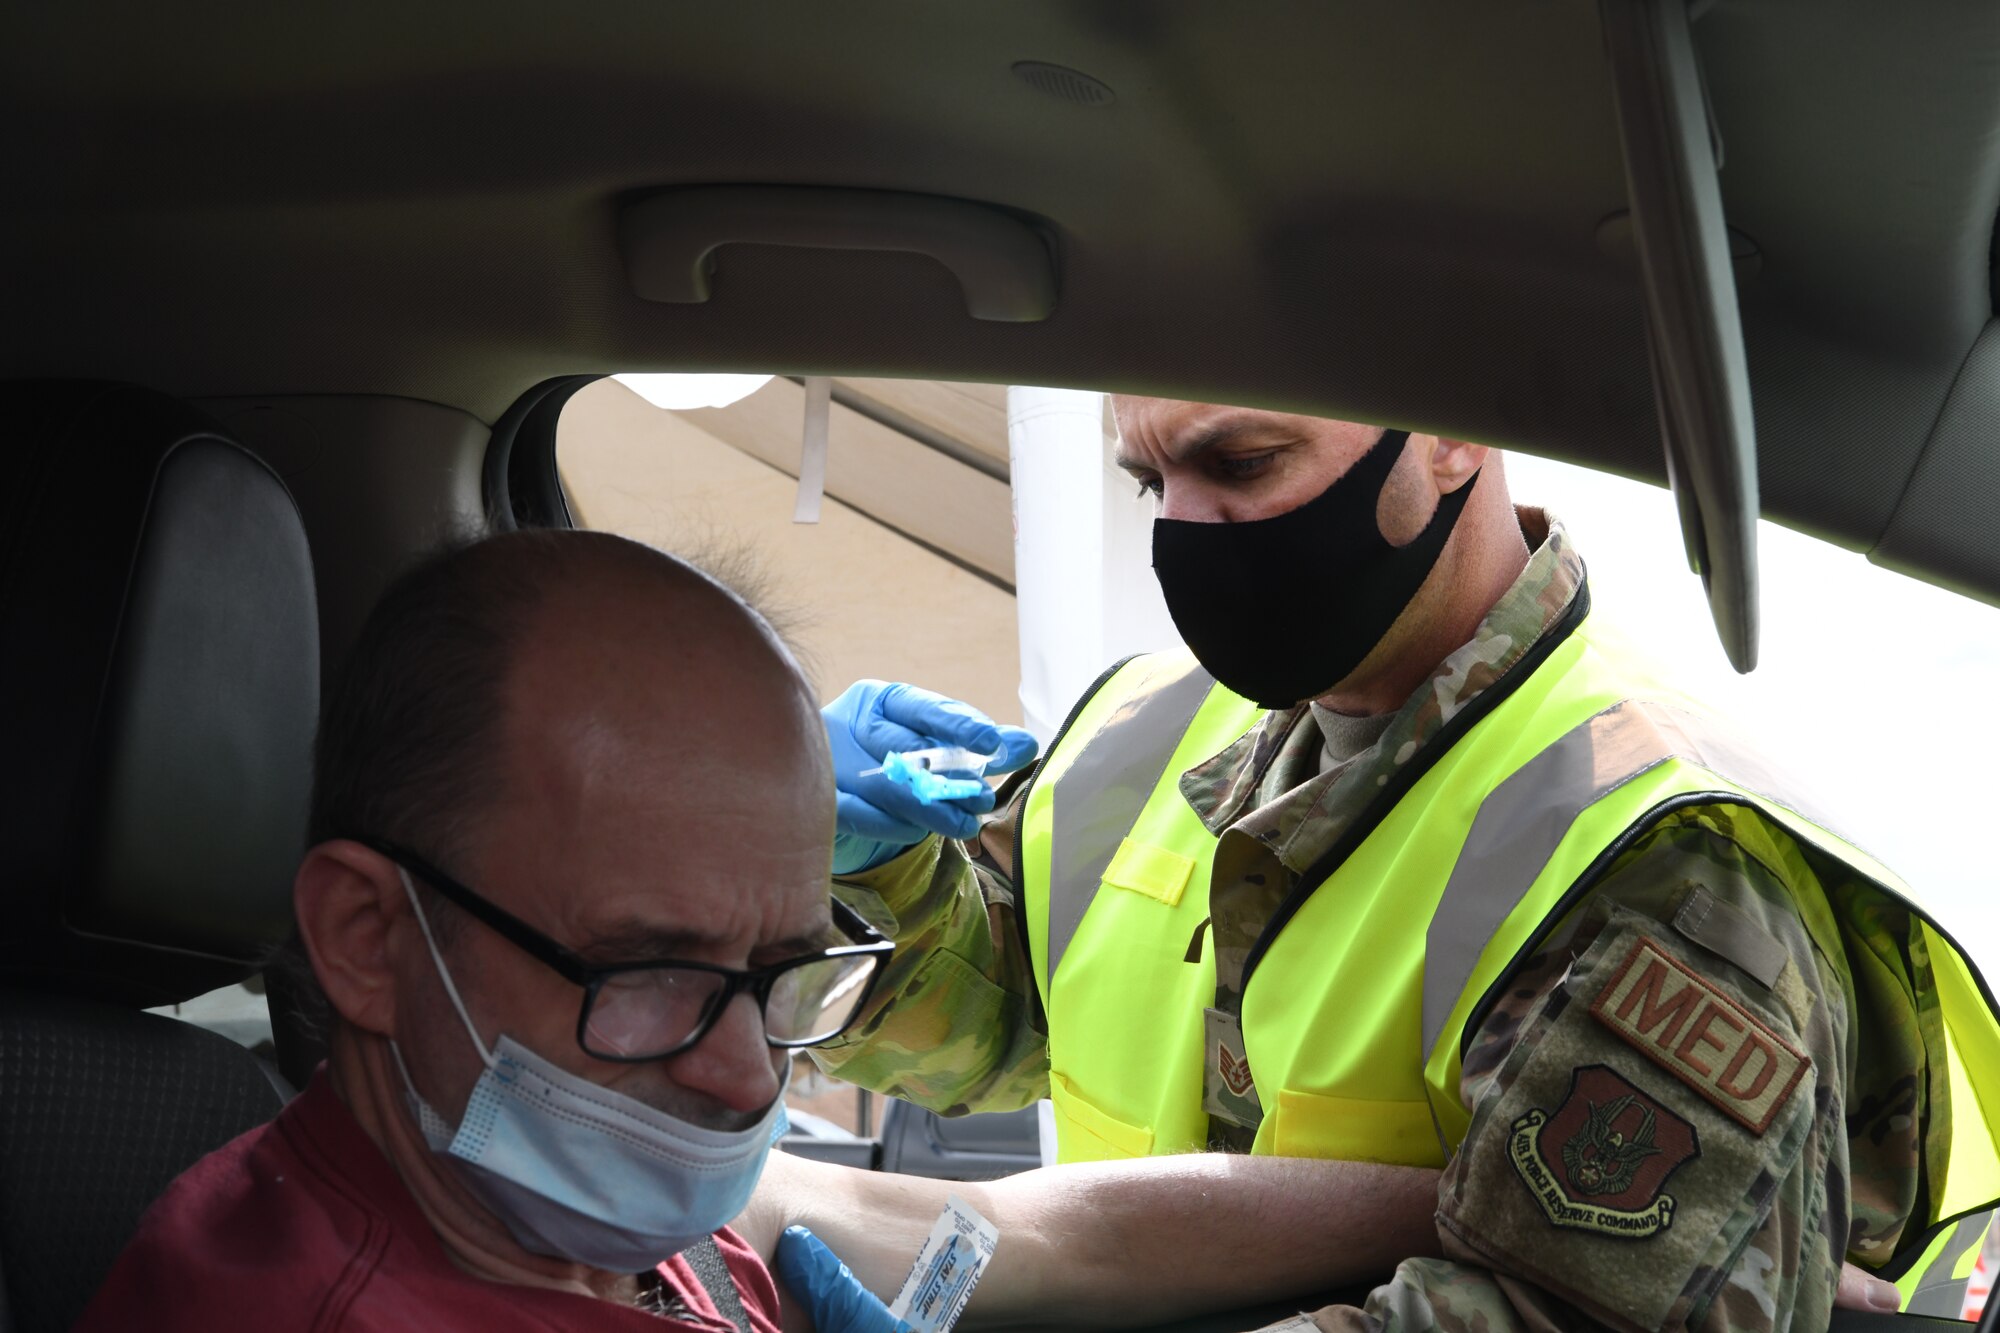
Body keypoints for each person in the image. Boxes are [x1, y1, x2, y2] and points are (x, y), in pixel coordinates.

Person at [796, 399, 2000, 1332]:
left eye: (1242, 463)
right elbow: (989, 1020)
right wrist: (846, 868)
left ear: (1450, 432)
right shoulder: (1147, 731)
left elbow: (1559, 1310)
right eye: (1150, 478)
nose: (1180, 528)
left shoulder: (1659, 860)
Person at [75, 529, 895, 1331]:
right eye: (652, 972)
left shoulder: (580, 1216)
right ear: (367, 937)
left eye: (786, 969)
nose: (751, 1078)